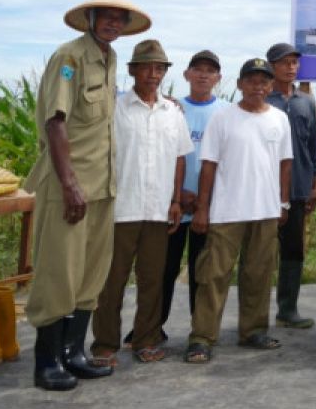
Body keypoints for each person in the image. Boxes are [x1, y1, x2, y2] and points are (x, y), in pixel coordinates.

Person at [26, 0, 151, 391]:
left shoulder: (110, 59)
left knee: (89, 275)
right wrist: (69, 184)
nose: (113, 23)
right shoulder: (70, 57)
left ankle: (74, 354)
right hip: (69, 187)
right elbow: (55, 122)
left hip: (101, 186)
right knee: (57, 273)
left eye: (120, 18)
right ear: (92, 17)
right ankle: (46, 362)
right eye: (106, 16)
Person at [185, 57, 293, 363]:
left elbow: (285, 163)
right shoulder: (222, 118)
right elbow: (208, 165)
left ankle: (253, 330)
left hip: (266, 209)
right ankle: (202, 337)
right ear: (239, 84)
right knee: (214, 275)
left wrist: (283, 203)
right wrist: (203, 209)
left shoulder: (279, 119)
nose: (258, 87)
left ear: (271, 86)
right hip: (226, 210)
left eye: (264, 81)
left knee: (258, 273)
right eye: (251, 80)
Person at [92, 40, 191, 366]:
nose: (153, 73)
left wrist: (176, 200)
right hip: (121, 208)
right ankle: (105, 344)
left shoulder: (172, 112)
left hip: (158, 210)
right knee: (112, 282)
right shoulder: (116, 108)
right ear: (132, 70)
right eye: (146, 67)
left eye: (159, 68)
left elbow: (179, 158)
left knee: (153, 279)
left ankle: (145, 340)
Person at [155, 50, 227, 341]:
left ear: (219, 79)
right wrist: (176, 194)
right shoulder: (170, 109)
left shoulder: (225, 112)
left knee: (203, 272)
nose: (203, 75)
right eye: (197, 69)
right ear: (186, 75)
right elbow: (163, 153)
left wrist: (205, 201)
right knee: (164, 270)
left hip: (207, 207)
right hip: (172, 204)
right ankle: (152, 327)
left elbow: (227, 159)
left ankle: (201, 331)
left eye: (210, 71)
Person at [266, 42, 316, 330]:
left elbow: (314, 147)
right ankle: (255, 313)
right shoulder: (263, 100)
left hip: (298, 186)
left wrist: (314, 184)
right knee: (260, 251)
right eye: (284, 62)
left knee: (293, 250)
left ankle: (287, 309)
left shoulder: (306, 102)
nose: (290, 67)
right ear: (271, 66)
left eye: (294, 63)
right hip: (262, 187)